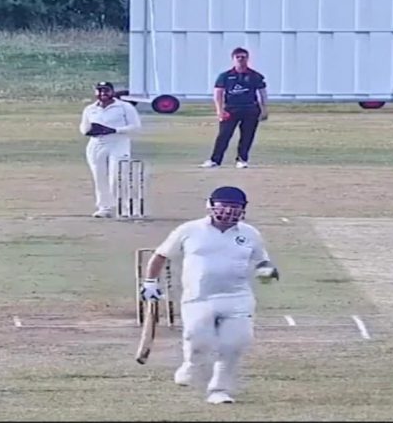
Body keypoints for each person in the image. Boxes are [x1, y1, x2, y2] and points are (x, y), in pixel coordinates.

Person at [141, 186, 280, 404]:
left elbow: (262, 260)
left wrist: (267, 271)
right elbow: (160, 255)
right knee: (198, 341)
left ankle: (219, 389)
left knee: (234, 344)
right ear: (210, 206)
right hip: (198, 298)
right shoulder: (189, 230)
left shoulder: (249, 233)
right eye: (224, 206)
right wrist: (150, 283)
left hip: (237, 298)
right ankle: (191, 364)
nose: (229, 212)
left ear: (243, 209)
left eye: (235, 207)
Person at [79, 82, 142, 218]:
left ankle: (123, 207)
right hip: (97, 144)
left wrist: (114, 130)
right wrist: (89, 131)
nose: (103, 94)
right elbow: (84, 127)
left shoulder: (125, 107)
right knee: (99, 176)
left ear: (112, 92)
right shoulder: (90, 109)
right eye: (100, 91)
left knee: (117, 176)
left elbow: (135, 127)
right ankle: (104, 208)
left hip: (118, 143)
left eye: (106, 90)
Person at [200, 47, 268, 169]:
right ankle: (215, 160)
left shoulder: (255, 76)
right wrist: (219, 110)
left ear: (247, 59)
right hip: (230, 110)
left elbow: (262, 93)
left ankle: (242, 160)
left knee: (247, 136)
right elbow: (218, 93)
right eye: (238, 57)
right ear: (233, 59)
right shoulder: (225, 76)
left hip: (250, 110)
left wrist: (264, 110)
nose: (241, 59)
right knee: (224, 135)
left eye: (243, 57)